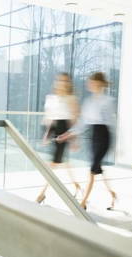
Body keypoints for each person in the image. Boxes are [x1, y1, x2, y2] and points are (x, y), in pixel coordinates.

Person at [57, 72, 117, 210]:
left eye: (92, 82)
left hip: (104, 137)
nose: (89, 84)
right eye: (89, 82)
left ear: (99, 83)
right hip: (93, 136)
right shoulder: (88, 102)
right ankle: (113, 195)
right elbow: (82, 123)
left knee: (92, 170)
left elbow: (112, 124)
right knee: (96, 168)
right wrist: (67, 135)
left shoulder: (109, 101)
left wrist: (114, 145)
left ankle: (82, 203)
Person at [36, 72, 82, 204]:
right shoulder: (50, 97)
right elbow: (49, 117)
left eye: (66, 81)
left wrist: (74, 139)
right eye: (61, 80)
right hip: (53, 129)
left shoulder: (72, 98)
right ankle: (76, 186)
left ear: (69, 83)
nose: (63, 83)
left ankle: (42, 193)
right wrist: (46, 134)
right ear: (56, 82)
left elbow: (74, 120)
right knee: (63, 163)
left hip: (64, 131)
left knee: (54, 164)